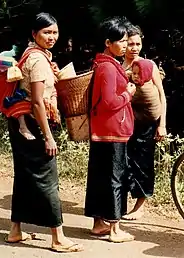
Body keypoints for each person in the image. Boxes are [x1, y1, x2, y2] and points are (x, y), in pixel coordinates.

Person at [5, 12, 83, 253]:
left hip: (22, 123)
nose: (52, 37)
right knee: (48, 179)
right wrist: (48, 136)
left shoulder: (36, 56)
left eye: (55, 32)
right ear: (34, 34)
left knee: (26, 176)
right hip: (34, 124)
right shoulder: (38, 60)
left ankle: (15, 231)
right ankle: (58, 237)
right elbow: (38, 102)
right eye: (46, 32)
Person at [84, 16, 136, 243]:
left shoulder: (103, 65)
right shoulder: (107, 67)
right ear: (108, 42)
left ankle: (98, 224)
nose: (125, 45)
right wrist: (128, 93)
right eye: (121, 41)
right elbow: (109, 102)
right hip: (112, 129)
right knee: (116, 178)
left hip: (102, 130)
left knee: (99, 177)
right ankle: (114, 229)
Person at [122, 25, 167, 220]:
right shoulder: (119, 67)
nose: (134, 48)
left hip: (146, 124)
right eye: (130, 44)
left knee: (143, 163)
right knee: (123, 163)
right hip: (125, 123)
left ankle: (140, 206)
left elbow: (162, 97)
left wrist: (162, 124)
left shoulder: (149, 65)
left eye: (137, 43)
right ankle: (119, 206)